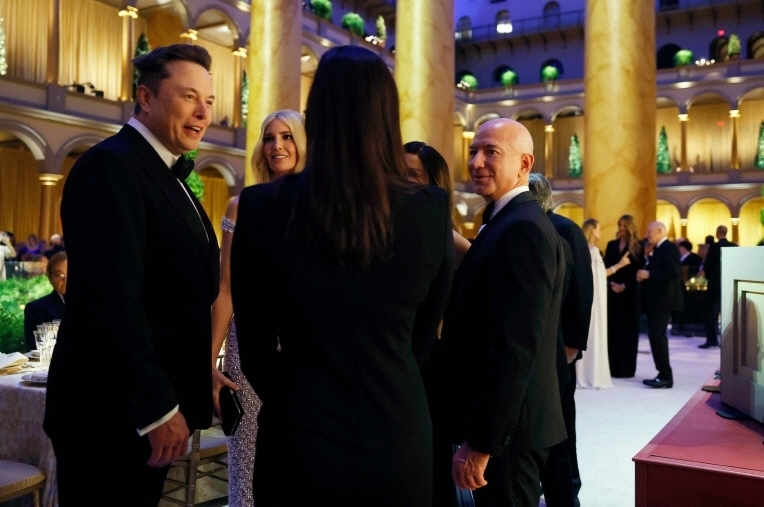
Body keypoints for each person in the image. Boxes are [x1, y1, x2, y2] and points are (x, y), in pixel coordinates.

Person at [230, 45, 453, 506]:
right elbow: (424, 336)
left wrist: (296, 399)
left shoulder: (262, 207)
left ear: (316, 116)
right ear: (387, 117)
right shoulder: (429, 209)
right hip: (395, 428)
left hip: (298, 431)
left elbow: (255, 345)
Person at [43, 44, 220, 506]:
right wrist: (156, 407)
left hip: (140, 409)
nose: (203, 113)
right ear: (145, 97)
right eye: (188, 97)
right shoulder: (111, 166)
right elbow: (110, 299)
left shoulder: (162, 172)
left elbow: (177, 294)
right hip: (110, 413)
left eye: (208, 101)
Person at [433, 119, 565, 507]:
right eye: (474, 151)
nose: (476, 162)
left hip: (510, 436)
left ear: (524, 164)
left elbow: (516, 348)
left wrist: (482, 444)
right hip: (509, 430)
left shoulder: (522, 229)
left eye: (492, 152)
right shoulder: (506, 222)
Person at [210, 109, 306, 507]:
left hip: (307, 352)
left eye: (287, 136)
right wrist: (208, 361)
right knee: (248, 474)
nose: (276, 146)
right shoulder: (242, 206)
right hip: (249, 352)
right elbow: (226, 289)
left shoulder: (324, 207)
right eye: (269, 138)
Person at [528, 173, 593, 507]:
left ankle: (568, 492)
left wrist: (574, 342)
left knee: (562, 424)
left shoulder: (566, 228)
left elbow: (582, 289)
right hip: (535, 346)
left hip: (560, 345)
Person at [404, 141, 471, 267]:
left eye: (412, 174)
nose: (402, 179)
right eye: (398, 172)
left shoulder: (449, 239)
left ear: (433, 182)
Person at [637, 221, 683, 388]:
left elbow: (673, 272)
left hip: (662, 301)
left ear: (659, 231)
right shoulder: (658, 249)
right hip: (657, 302)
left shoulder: (668, 247)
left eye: (650, 232)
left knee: (657, 336)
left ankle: (665, 376)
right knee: (656, 336)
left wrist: (648, 274)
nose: (647, 235)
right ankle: (663, 374)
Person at [576, 219, 620, 390]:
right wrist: (619, 266)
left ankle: (586, 372)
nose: (600, 232)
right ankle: (592, 374)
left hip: (591, 298)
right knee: (594, 331)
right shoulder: (593, 252)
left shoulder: (582, 250)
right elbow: (598, 276)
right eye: (599, 229)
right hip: (595, 301)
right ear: (593, 230)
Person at [603, 214, 644, 378]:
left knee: (628, 331)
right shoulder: (611, 245)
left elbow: (638, 270)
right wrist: (612, 283)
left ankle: (626, 369)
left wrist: (625, 285)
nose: (621, 228)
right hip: (613, 292)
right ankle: (611, 367)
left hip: (630, 294)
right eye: (619, 225)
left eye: (624, 226)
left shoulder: (638, 246)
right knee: (613, 329)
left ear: (630, 227)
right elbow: (606, 267)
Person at [700, 225, 738, 348]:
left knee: (711, 312)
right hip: (730, 283)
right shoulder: (734, 246)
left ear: (717, 233)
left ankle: (712, 339)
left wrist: (708, 277)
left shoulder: (714, 247)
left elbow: (708, 264)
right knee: (729, 312)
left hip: (715, 284)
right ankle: (729, 341)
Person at [23, 252, 67, 350]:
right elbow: (34, 345)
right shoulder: (36, 308)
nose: (65, 280)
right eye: (60, 275)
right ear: (50, 278)